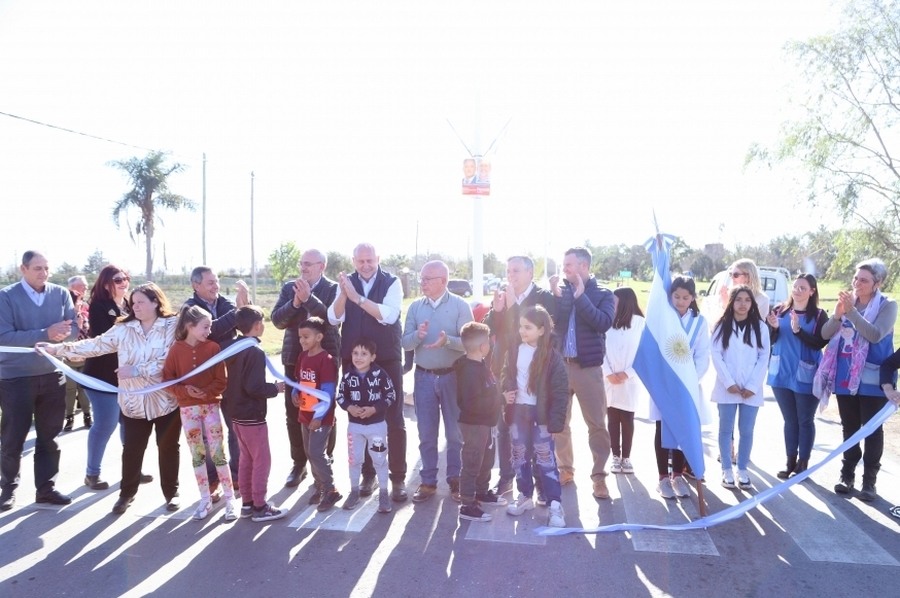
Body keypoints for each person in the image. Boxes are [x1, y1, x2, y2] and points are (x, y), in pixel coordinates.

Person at [45, 283, 181, 515]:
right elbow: (95, 345)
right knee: (131, 449)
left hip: (165, 402)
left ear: (156, 302)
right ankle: (126, 494)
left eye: (140, 302)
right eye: (133, 303)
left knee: (168, 448)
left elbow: (171, 362)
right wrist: (57, 350)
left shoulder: (172, 326)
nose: (135, 307)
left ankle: (171, 493)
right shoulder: (123, 328)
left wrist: (137, 370)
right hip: (133, 404)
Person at [328, 243, 407, 502]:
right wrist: (343, 294)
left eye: (369, 260)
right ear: (353, 261)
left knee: (392, 418)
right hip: (355, 362)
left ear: (378, 258)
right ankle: (368, 474)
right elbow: (333, 318)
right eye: (360, 261)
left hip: (386, 358)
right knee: (360, 420)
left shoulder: (392, 282)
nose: (365, 265)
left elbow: (389, 315)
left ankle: (397, 478)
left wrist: (358, 299)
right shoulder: (347, 283)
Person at [0, 251, 77, 511]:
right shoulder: (6, 297)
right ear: (23, 269)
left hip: (52, 374)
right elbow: (4, 337)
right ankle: (8, 489)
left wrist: (61, 334)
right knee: (13, 439)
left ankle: (46, 489)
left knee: (49, 438)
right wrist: (46, 333)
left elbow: (73, 329)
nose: (43, 273)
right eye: (37, 268)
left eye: (46, 268)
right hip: (15, 377)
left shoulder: (61, 294)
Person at [816, 258, 898, 501]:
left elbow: (874, 335)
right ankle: (847, 474)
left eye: (864, 280)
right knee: (850, 427)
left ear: (877, 283)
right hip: (845, 375)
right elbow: (825, 334)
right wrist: (838, 315)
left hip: (874, 377)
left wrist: (851, 312)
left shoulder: (888, 305)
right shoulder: (847, 303)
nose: (857, 283)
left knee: (872, 430)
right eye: (856, 278)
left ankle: (869, 482)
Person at [481, 255, 556, 496]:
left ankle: (541, 485)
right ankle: (506, 479)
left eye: (515, 271)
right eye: (508, 271)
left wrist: (513, 309)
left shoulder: (544, 299)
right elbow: (488, 330)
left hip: (534, 375)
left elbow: (531, 334)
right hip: (506, 372)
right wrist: (496, 310)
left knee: (534, 432)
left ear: (530, 273)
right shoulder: (504, 296)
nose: (510, 275)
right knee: (505, 429)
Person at [401, 260, 474, 502]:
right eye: (421, 278)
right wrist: (417, 336)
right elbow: (405, 342)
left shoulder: (460, 306)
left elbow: (469, 344)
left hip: (453, 377)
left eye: (427, 279)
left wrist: (448, 342)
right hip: (423, 377)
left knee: (455, 434)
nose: (422, 283)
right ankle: (428, 481)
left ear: (443, 281)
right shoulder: (414, 308)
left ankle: (455, 480)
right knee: (426, 433)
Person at [271, 249, 340, 488]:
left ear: (322, 266)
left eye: (308, 264)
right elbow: (278, 321)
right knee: (295, 412)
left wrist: (309, 299)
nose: (303, 268)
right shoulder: (290, 287)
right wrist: (295, 302)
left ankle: (324, 460)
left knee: (324, 409)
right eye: (301, 264)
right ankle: (299, 463)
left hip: (325, 359)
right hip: (295, 358)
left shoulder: (333, 289)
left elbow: (331, 320)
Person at [552, 246, 615, 499]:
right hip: (560, 368)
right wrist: (557, 297)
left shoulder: (603, 294)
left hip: (588, 369)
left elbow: (603, 323)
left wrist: (581, 296)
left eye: (569, 265)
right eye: (563, 264)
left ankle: (599, 478)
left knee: (597, 425)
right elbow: (555, 326)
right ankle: (564, 469)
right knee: (559, 424)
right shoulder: (562, 291)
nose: (564, 269)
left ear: (584, 267)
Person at [162, 305, 236, 521]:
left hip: (211, 406)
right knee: (197, 454)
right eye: (205, 327)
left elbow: (221, 381)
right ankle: (205, 499)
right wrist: (184, 391)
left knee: (218, 452)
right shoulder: (176, 350)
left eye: (210, 327)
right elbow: (168, 380)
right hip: (188, 410)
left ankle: (230, 498)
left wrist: (206, 394)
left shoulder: (213, 348)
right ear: (190, 326)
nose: (208, 331)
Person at [184, 266, 249, 500]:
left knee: (235, 424)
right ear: (196, 285)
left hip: (229, 374)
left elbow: (242, 326)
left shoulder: (226, 303)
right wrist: (237, 314)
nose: (216, 286)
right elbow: (208, 332)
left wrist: (244, 309)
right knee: (206, 433)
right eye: (210, 282)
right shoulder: (188, 309)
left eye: (217, 281)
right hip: (202, 379)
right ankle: (212, 479)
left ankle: (236, 474)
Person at [502, 306, 569, 528]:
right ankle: (524, 496)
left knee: (546, 459)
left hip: (542, 417)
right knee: (519, 456)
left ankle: (555, 505)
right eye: (521, 326)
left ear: (542, 330)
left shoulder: (553, 357)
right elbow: (506, 374)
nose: (522, 331)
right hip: (518, 412)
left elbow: (560, 392)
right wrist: (507, 389)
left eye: (528, 327)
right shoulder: (514, 350)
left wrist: (556, 421)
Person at [649, 276, 710, 499]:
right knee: (663, 429)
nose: (681, 301)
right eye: (676, 296)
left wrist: (691, 380)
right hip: (664, 385)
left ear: (693, 298)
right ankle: (663, 478)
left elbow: (703, 355)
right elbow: (653, 349)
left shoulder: (699, 322)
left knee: (683, 430)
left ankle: (678, 476)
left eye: (686, 297)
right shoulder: (663, 319)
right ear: (670, 296)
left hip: (687, 386)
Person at [225, 306, 286, 522]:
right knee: (262, 460)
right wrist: (275, 389)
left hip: (236, 414)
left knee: (246, 460)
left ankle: (248, 504)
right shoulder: (255, 351)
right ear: (258, 325)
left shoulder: (234, 347)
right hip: (252, 416)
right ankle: (260, 506)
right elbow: (254, 387)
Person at [765, 274, 828, 479]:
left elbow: (819, 343)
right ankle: (790, 461)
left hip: (806, 374)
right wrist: (773, 328)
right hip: (781, 372)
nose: (798, 290)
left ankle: (803, 464)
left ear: (812, 291)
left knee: (805, 421)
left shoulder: (819, 316)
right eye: (795, 286)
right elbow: (771, 340)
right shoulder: (779, 311)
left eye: (803, 287)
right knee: (789, 420)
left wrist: (799, 331)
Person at [79, 265, 133, 490]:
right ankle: (92, 474)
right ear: (105, 283)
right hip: (101, 375)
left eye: (126, 278)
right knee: (106, 423)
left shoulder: (130, 304)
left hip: (126, 377)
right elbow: (107, 339)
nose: (123, 282)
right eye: (118, 279)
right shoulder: (99, 306)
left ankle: (133, 470)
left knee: (129, 423)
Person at [711, 286, 770, 490]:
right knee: (725, 429)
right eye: (738, 300)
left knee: (746, 430)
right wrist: (729, 383)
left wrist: (753, 385)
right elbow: (716, 355)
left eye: (747, 300)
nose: (743, 304)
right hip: (728, 388)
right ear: (731, 302)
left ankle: (742, 469)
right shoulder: (722, 326)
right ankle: (726, 469)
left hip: (750, 390)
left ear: (752, 303)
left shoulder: (760, 327)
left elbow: (764, 357)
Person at [335, 337, 396, 514]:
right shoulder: (347, 376)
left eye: (364, 354)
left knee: (379, 459)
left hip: (376, 426)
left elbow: (391, 395)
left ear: (373, 357)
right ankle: (354, 491)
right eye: (355, 353)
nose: (358, 357)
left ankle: (384, 493)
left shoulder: (380, 375)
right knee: (354, 460)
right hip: (355, 427)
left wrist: (374, 409)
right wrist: (349, 407)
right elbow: (340, 396)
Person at [456, 322, 506, 522]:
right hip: (474, 425)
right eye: (488, 342)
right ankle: (467, 504)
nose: (490, 345)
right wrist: (501, 399)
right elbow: (472, 403)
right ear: (482, 347)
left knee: (486, 459)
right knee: (472, 462)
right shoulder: (469, 371)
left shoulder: (480, 365)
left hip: (486, 424)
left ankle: (481, 492)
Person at [293, 317, 341, 512]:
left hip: (320, 418)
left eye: (306, 336)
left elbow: (328, 392)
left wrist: (319, 417)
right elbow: (299, 379)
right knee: (310, 452)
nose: (302, 340)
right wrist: (295, 393)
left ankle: (331, 490)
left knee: (316, 452)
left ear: (319, 337)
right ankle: (319, 485)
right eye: (300, 337)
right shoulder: (302, 357)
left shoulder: (326, 361)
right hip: (305, 414)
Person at [603, 287, 646, 475]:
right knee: (612, 419)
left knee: (627, 418)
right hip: (609, 379)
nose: (611, 304)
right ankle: (615, 456)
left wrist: (627, 373)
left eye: (614, 301)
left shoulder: (641, 324)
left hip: (630, 380)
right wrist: (608, 373)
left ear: (625, 302)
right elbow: (600, 349)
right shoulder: (607, 322)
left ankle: (626, 458)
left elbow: (645, 354)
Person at [63, 275, 91, 431]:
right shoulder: (63, 308)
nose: (85, 289)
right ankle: (69, 418)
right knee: (70, 389)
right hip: (68, 357)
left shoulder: (86, 308)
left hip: (85, 355)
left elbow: (90, 332)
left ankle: (87, 416)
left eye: (86, 286)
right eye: (82, 286)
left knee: (84, 388)